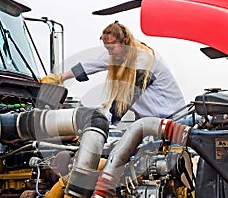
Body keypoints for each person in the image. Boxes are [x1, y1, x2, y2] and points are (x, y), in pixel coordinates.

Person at [41, 22, 186, 124]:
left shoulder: (144, 59)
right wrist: (61, 78)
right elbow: (91, 64)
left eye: (112, 48)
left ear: (124, 42)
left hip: (172, 119)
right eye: (107, 49)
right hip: (151, 122)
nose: (109, 53)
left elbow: (129, 95)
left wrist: (108, 120)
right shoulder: (117, 54)